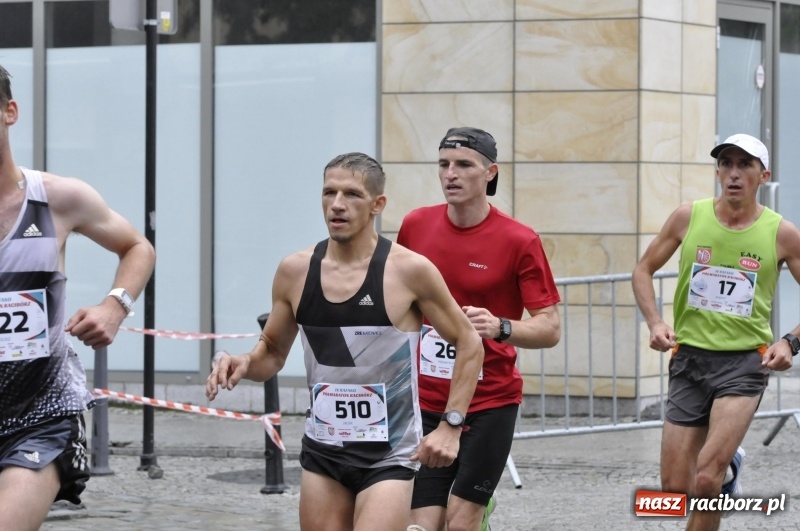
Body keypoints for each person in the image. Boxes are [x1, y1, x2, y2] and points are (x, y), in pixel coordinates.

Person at [206, 152, 485, 531]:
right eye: (329, 192)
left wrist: (451, 425)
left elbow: (470, 342)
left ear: (377, 205)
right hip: (324, 451)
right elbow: (271, 353)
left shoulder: (408, 270)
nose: (337, 204)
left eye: (352, 194)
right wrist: (243, 363)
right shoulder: (295, 270)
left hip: (389, 454)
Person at [0, 65, 156, 530]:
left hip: (41, 411)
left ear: (10, 112)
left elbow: (137, 247)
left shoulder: (57, 198)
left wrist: (115, 306)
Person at [632, 133, 800, 531]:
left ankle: (720, 472)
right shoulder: (689, 217)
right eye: (726, 163)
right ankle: (729, 472)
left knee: (705, 477)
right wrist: (656, 322)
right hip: (689, 359)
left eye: (745, 165)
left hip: (744, 363)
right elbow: (642, 270)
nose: (734, 173)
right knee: (674, 490)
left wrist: (790, 341)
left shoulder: (782, 233)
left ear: (764, 175)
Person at [397, 127, 561, 531]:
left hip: (490, 401)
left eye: (463, 165)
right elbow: (401, 304)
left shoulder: (519, 240)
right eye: (443, 164)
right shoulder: (415, 226)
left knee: (460, 522)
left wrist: (501, 326)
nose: (450, 174)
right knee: (421, 526)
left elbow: (550, 328)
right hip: (428, 398)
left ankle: (477, 514)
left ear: (490, 172)